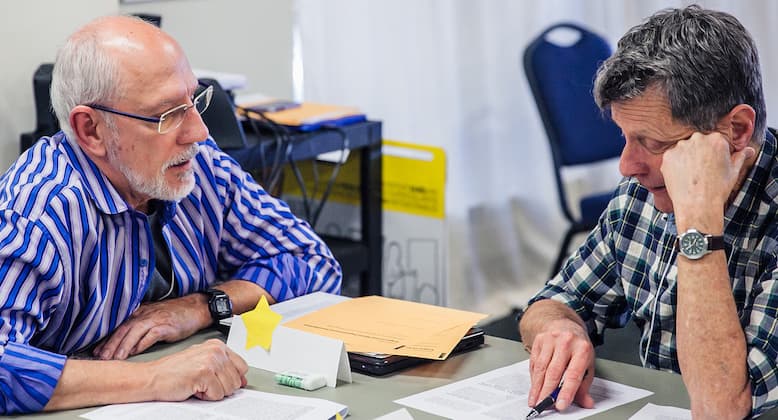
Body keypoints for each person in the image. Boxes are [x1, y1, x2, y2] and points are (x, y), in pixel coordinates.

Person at [0, 15, 341, 414]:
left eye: (194, 102)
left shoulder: (200, 167)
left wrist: (201, 306)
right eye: (167, 115)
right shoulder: (39, 211)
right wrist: (157, 378)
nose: (198, 132)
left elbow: (312, 262)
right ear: (91, 130)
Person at [519, 5, 778, 419]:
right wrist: (560, 327)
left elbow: (722, 408)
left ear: (736, 131)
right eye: (625, 137)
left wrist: (698, 221)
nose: (626, 166)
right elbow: (555, 299)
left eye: (653, 143)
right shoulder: (641, 194)